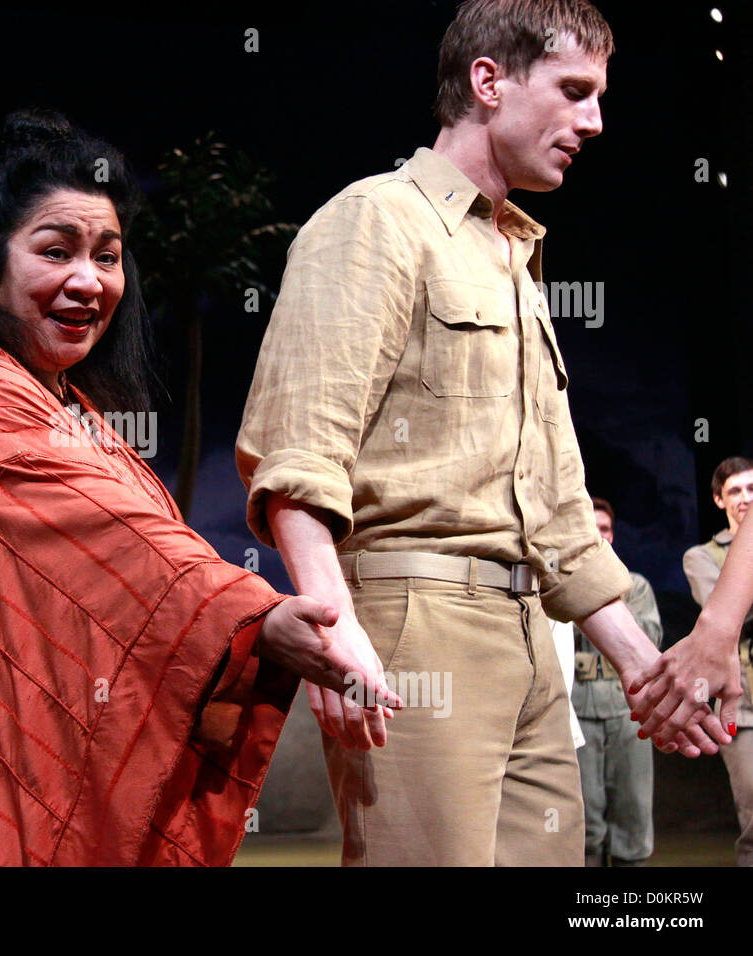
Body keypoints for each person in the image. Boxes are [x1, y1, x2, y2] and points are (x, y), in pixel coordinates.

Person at [0, 111, 400, 867]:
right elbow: (99, 539)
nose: (88, 281)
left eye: (109, 256)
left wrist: (250, 619)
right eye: (55, 251)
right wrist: (254, 618)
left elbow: (118, 557)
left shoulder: (69, 406)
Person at [235, 0, 728, 866]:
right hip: (415, 621)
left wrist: (645, 669)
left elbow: (560, 513)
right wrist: (332, 622)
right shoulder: (376, 219)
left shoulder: (514, 261)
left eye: (599, 96)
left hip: (534, 636)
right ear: (489, 81)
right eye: (574, 90)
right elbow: (299, 450)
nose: (595, 121)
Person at [573, 497, 662, 866]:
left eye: (605, 529)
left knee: (633, 813)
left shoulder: (635, 586)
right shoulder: (564, 588)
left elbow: (650, 638)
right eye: (591, 529)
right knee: (586, 819)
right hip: (578, 712)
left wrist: (605, 593)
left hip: (630, 712)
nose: (599, 535)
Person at [681, 457, 753, 865]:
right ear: (718, 499)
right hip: (742, 703)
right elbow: (726, 617)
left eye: (752, 489)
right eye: (736, 491)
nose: (746, 499)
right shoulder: (702, 556)